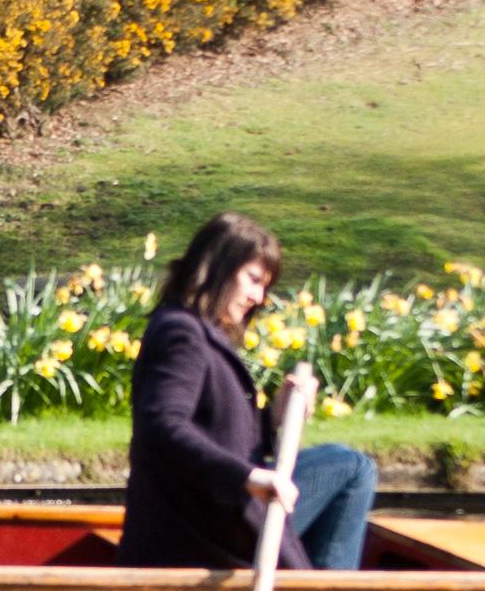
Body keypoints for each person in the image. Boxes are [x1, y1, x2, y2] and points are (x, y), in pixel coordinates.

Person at [116, 211, 377, 572]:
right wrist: (249, 478)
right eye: (253, 280)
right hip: (203, 528)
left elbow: (220, 435)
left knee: (347, 463)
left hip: (217, 513)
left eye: (264, 286)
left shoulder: (198, 331)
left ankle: (315, 589)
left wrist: (274, 418)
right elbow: (161, 428)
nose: (258, 297)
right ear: (217, 268)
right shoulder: (182, 333)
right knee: (354, 468)